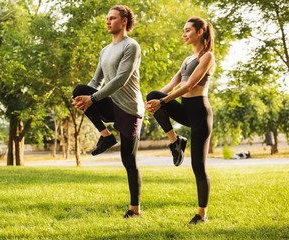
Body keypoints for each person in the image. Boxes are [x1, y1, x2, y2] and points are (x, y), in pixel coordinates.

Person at [72, 5, 144, 218]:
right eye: (107, 18)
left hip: (130, 107)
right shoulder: (105, 50)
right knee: (79, 90)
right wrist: (84, 99)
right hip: (111, 103)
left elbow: (121, 80)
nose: (108, 21)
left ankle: (135, 210)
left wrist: (92, 99)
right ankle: (105, 136)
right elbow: (96, 81)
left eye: (112, 18)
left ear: (124, 21)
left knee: (128, 161)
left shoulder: (131, 46)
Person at [145, 17, 215, 224]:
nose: (183, 34)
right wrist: (151, 103)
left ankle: (202, 214)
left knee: (198, 166)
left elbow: (190, 86)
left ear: (200, 31)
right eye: (183, 31)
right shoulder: (186, 60)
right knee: (152, 94)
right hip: (184, 109)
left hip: (200, 112)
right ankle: (175, 141)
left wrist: (162, 101)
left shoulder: (208, 57)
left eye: (187, 31)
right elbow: (172, 85)